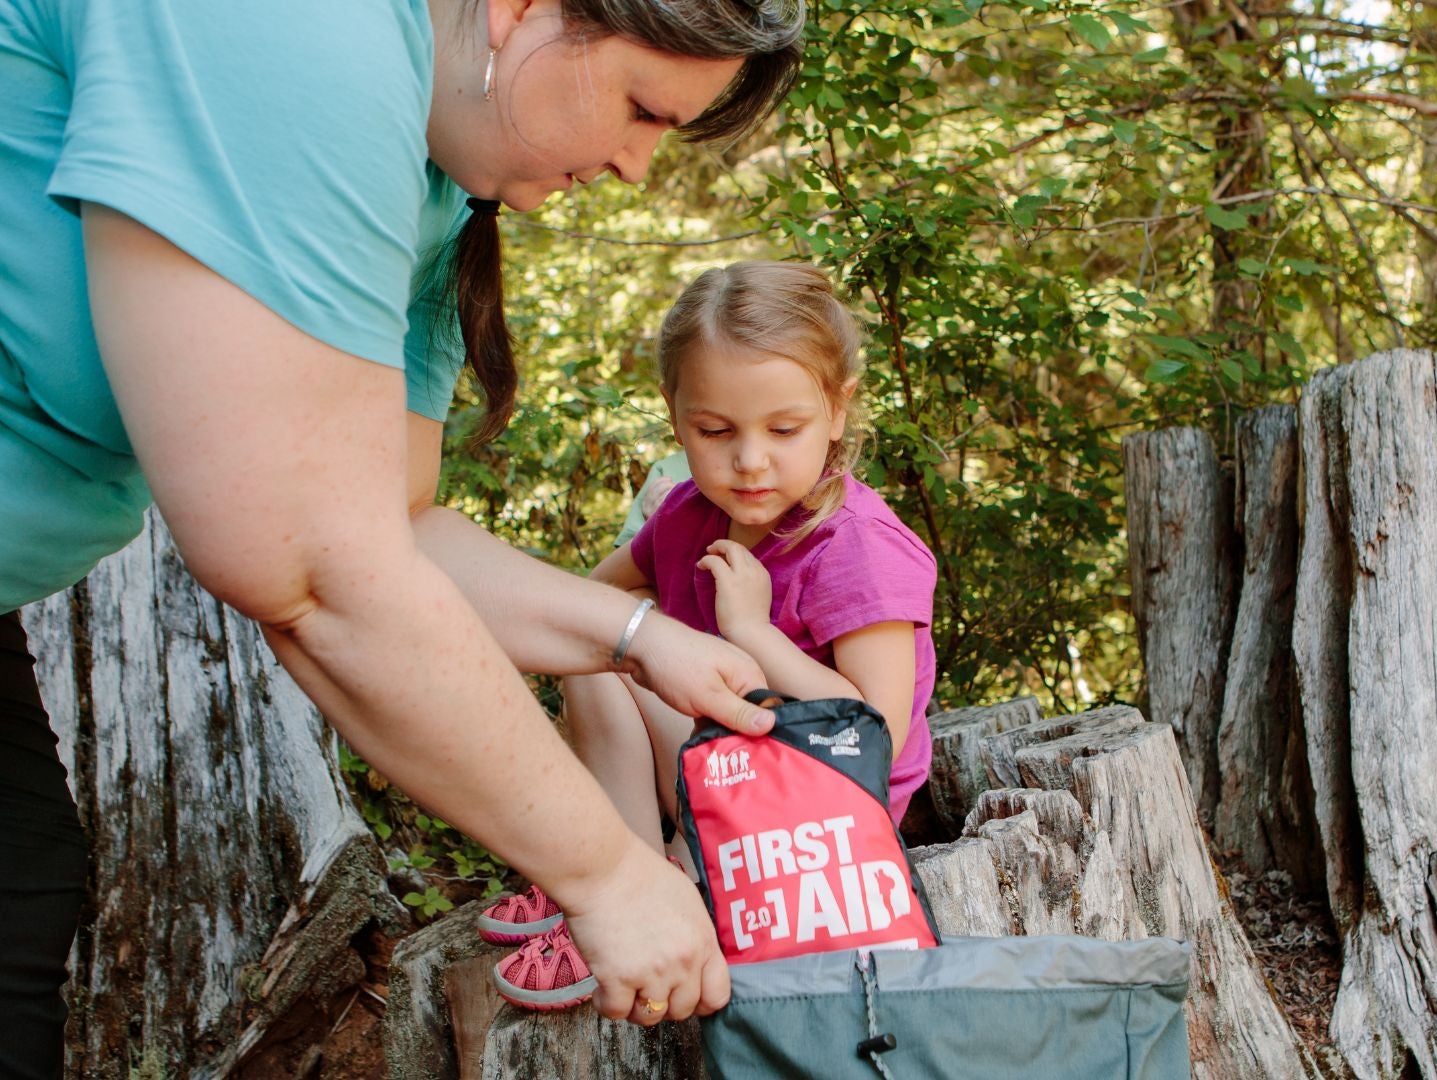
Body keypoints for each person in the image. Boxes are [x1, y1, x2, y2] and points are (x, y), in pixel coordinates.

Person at [0, 0, 805, 1070]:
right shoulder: (296, 30)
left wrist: (638, 633)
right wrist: (607, 872)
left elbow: (392, 526)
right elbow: (310, 567)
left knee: (21, 880)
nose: (635, 169)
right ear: (522, 10)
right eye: (641, 110)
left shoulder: (435, 183)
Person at [481, 262, 939, 1009]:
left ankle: (656, 895)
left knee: (619, 655)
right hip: (717, 771)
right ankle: (626, 872)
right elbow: (592, 601)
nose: (750, 460)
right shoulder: (689, 511)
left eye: (784, 429)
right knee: (602, 654)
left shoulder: (859, 549)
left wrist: (752, 631)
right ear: (675, 413)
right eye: (715, 430)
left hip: (818, 814)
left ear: (838, 409)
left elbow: (877, 731)